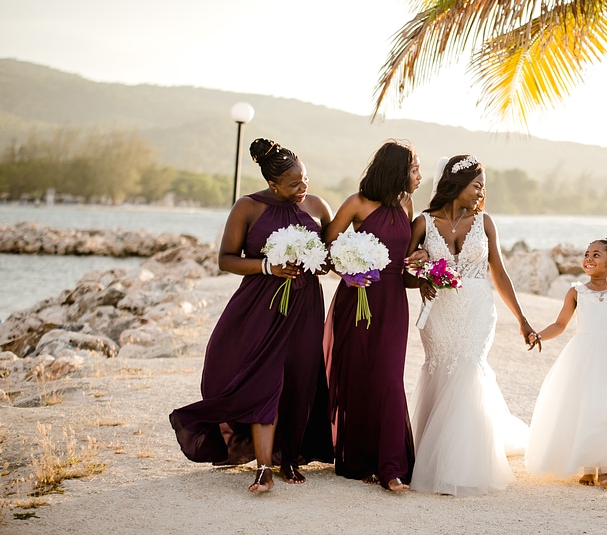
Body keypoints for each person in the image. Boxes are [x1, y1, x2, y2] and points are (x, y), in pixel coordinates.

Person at [170, 138, 333, 493]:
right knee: (264, 381)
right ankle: (263, 467)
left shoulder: (319, 206)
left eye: (304, 178)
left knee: (300, 380)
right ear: (273, 184)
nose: (302, 187)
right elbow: (225, 259)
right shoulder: (248, 207)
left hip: (305, 308)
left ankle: (289, 455)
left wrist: (333, 264)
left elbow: (328, 259)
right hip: (260, 306)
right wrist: (267, 266)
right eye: (294, 183)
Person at [404, 154, 536, 495]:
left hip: (478, 308)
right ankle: (432, 455)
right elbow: (403, 273)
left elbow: (500, 273)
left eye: (483, 188)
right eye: (476, 185)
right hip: (439, 311)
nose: (480, 193)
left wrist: (521, 319)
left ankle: (465, 464)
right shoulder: (422, 223)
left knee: (468, 368)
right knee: (441, 369)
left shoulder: (485, 222)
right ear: (456, 184)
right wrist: (419, 274)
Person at [323, 140, 422, 492]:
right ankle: (361, 461)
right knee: (359, 376)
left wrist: (421, 259)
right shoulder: (357, 203)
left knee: (389, 377)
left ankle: (392, 467)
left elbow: (405, 257)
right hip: (358, 298)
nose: (419, 177)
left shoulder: (407, 204)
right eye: (414, 169)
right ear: (396, 170)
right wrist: (347, 272)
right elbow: (327, 247)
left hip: (393, 301)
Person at [524, 238, 607, 489]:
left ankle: (605, 470)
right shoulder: (576, 291)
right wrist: (539, 334)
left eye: (596, 254)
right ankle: (586, 466)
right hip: (583, 355)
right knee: (583, 407)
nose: (589, 258)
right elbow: (560, 324)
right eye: (586, 254)